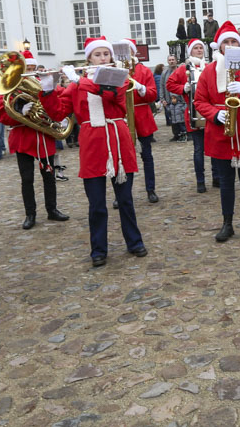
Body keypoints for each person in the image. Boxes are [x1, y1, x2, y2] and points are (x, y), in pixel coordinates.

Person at [67, 37, 147, 266]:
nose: (103, 58)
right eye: (97, 55)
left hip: (118, 142)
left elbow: (110, 94)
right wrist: (47, 90)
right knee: (96, 205)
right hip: (92, 144)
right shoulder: (77, 84)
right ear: (88, 58)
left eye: (106, 54)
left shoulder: (117, 76)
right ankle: (99, 249)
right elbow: (60, 110)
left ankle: (134, 242)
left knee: (125, 199)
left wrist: (78, 81)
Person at [194, 23, 240, 241]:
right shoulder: (209, 71)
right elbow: (200, 101)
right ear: (220, 46)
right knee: (225, 182)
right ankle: (227, 223)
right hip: (221, 135)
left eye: (234, 41)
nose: (230, 45)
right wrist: (214, 115)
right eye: (226, 42)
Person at [0, 51, 70, 230]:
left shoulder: (41, 83)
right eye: (26, 68)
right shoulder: (8, 88)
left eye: (32, 68)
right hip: (23, 137)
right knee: (27, 178)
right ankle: (30, 213)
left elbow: (61, 97)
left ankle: (52, 209)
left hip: (43, 137)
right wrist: (20, 112)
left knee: (49, 175)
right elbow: (2, 115)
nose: (30, 71)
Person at [166, 38, 216, 191]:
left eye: (201, 48)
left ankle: (217, 177)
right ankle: (200, 181)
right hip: (193, 112)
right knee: (198, 149)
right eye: (196, 48)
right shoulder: (184, 68)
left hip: (210, 112)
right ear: (190, 51)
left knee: (215, 147)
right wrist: (183, 88)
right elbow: (170, 84)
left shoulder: (210, 66)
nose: (199, 50)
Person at [121, 39, 161, 203]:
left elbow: (153, 94)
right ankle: (123, 192)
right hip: (123, 116)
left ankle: (150, 189)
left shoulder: (144, 70)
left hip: (142, 114)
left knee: (147, 155)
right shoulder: (116, 70)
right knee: (123, 158)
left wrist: (141, 87)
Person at [160, 56, 186, 141]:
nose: (171, 62)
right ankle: (176, 134)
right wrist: (162, 99)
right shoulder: (165, 73)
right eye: (169, 60)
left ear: (176, 61)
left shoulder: (182, 71)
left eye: (173, 60)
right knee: (172, 117)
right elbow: (162, 86)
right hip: (169, 99)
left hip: (181, 99)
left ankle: (184, 133)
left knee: (181, 117)